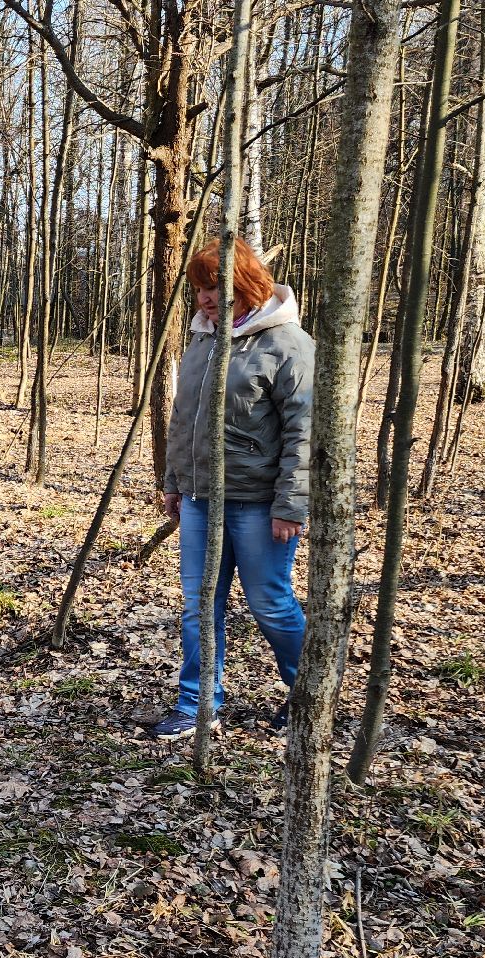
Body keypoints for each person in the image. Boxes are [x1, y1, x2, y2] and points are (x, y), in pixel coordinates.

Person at [152, 238, 313, 741]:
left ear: (247, 284)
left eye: (217, 286)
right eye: (200, 287)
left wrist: (291, 504)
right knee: (200, 604)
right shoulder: (202, 339)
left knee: (269, 601)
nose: (206, 297)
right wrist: (176, 482)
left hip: (261, 504)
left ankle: (309, 695)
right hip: (202, 499)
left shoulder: (287, 343)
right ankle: (197, 704)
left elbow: (305, 431)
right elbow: (184, 420)